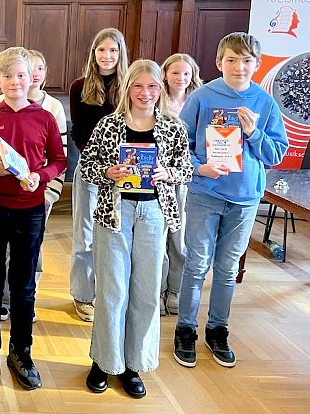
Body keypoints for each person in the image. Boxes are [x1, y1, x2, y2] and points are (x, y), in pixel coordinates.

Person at [79, 60, 192, 399]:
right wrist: (108, 172)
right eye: (138, 86)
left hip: (154, 213)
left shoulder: (173, 127)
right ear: (128, 88)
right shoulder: (108, 125)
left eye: (152, 87)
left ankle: (133, 365)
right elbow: (86, 167)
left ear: (161, 89)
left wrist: (166, 174)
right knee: (113, 291)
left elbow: (186, 168)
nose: (145, 93)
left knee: (144, 293)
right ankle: (104, 361)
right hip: (114, 212)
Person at [174, 33, 288, 369]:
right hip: (205, 193)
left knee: (226, 268)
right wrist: (201, 168)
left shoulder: (264, 103)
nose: (240, 67)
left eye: (247, 60)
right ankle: (185, 328)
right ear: (219, 62)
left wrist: (254, 133)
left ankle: (217, 328)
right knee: (196, 264)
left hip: (245, 198)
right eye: (232, 60)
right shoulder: (201, 97)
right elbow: (179, 147)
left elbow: (276, 153)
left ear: (257, 64)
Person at [0, 47, 67, 391]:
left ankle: (21, 352)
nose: (15, 81)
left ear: (32, 78)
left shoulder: (44, 117)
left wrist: (42, 176)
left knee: (24, 284)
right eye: (7, 76)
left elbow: (59, 159)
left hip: (30, 209)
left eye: (21, 75)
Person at [0, 49, 68, 322]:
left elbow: (60, 157)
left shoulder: (50, 111)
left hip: (38, 194)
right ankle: (2, 298)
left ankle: (24, 298)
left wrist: (48, 191)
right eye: (25, 70)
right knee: (2, 250)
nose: (31, 76)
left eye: (36, 70)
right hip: (1, 198)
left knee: (30, 251)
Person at [69, 28, 129, 322]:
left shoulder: (130, 85)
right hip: (92, 168)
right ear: (94, 54)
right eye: (102, 50)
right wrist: (97, 160)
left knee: (117, 235)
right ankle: (83, 295)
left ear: (121, 54)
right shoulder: (80, 86)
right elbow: (78, 132)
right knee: (85, 236)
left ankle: (110, 293)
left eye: (113, 51)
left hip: (124, 172)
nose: (107, 56)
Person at [159, 53, 202, 315]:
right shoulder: (155, 98)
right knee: (156, 237)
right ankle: (157, 289)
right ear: (165, 74)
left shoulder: (198, 102)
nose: (181, 78)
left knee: (179, 237)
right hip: (158, 177)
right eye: (175, 72)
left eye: (186, 73)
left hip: (185, 179)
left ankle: (175, 289)